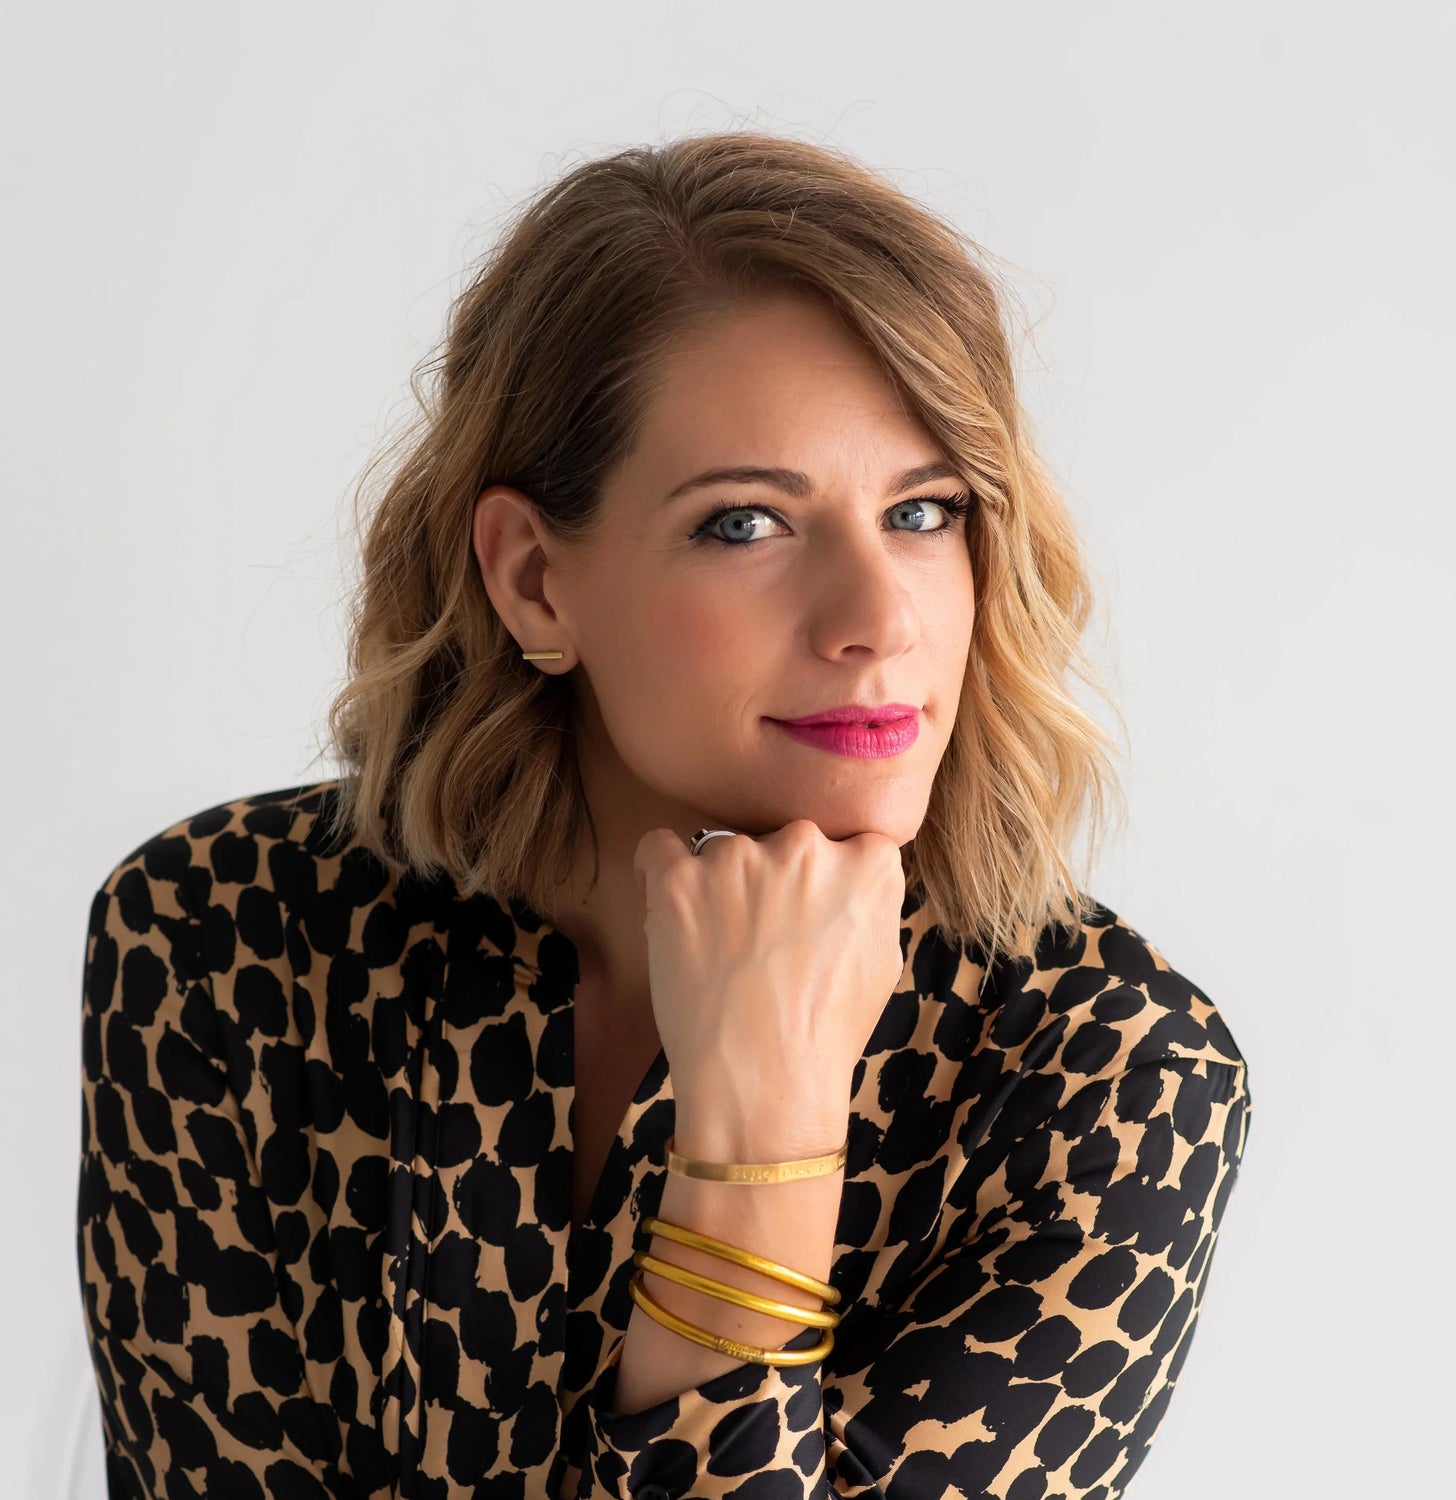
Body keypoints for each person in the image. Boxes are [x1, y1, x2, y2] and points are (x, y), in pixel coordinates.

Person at [76, 131, 1253, 1499]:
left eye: (926, 512)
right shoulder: (224, 939)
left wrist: (760, 1141)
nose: (880, 622)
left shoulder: (1109, 1077)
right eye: (747, 525)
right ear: (533, 583)